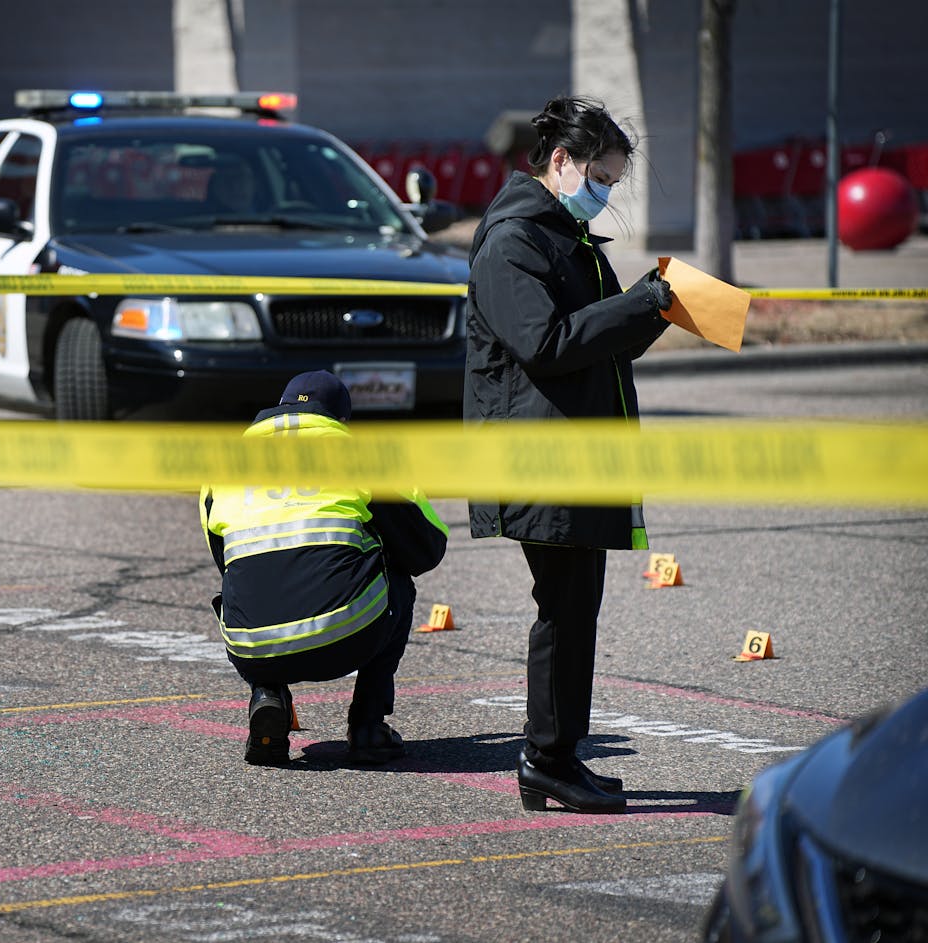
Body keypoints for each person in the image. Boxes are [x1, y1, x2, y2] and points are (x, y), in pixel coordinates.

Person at [463, 95, 674, 814]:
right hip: (537, 455)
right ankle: (547, 758)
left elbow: (597, 336)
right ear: (560, 162)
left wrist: (658, 309)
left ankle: (554, 756)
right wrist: (640, 305)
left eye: (614, 182)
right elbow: (545, 343)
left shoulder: (564, 235)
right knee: (563, 607)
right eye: (602, 177)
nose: (606, 193)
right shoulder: (514, 239)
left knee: (575, 606)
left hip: (571, 451)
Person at [201, 370, 449, 766]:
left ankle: (268, 697)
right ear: (340, 421)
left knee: (251, 582)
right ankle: (368, 725)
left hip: (252, 646)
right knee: (397, 581)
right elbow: (426, 549)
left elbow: (226, 564)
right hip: (345, 635)